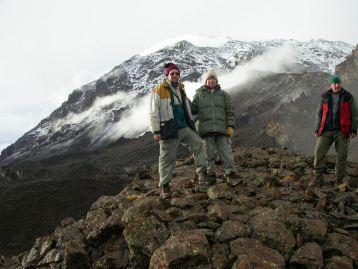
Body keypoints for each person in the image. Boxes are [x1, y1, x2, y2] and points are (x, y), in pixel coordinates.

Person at [149, 63, 211, 199]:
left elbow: (187, 106)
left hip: (184, 127)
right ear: (167, 76)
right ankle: (165, 186)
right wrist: (156, 131)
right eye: (172, 74)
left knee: (199, 144)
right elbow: (153, 113)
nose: (175, 75)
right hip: (169, 129)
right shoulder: (158, 91)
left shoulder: (181, 89)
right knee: (167, 158)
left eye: (177, 73)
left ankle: (202, 174)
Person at [191, 69, 239, 185]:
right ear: (205, 81)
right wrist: (185, 99)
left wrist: (230, 126)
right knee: (208, 154)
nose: (211, 80)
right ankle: (210, 176)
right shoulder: (198, 94)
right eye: (209, 78)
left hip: (222, 129)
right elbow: (192, 110)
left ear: (216, 81)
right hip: (205, 130)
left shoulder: (224, 95)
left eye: (213, 78)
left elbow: (230, 111)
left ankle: (230, 174)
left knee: (226, 153)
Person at [311, 75, 358, 187]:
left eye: (338, 83)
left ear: (341, 84)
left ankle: (339, 180)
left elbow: (355, 115)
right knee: (319, 153)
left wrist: (353, 130)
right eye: (334, 83)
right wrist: (317, 128)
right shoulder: (325, 97)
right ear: (330, 84)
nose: (336, 85)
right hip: (326, 130)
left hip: (342, 131)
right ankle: (318, 178)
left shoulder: (348, 97)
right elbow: (319, 114)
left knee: (342, 156)